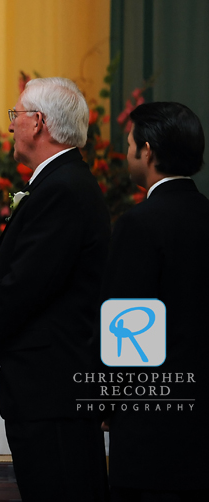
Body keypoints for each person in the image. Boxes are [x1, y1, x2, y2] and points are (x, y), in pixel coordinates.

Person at [0, 77, 111, 501]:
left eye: (16, 115)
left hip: (54, 392)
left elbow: (27, 284)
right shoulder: (62, 184)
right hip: (51, 390)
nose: (11, 126)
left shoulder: (63, 189)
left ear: (38, 123)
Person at [102, 102, 208, 501]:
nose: (128, 152)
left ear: (147, 151)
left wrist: (107, 403)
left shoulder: (139, 223)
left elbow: (126, 328)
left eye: (130, 144)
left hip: (152, 429)